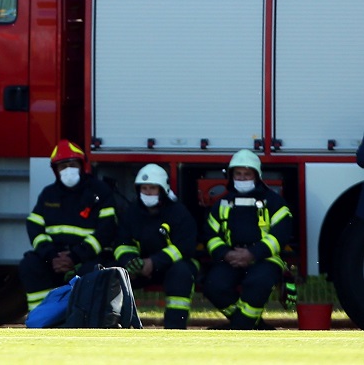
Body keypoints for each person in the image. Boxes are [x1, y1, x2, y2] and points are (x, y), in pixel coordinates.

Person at [18, 139, 118, 312]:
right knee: (30, 264)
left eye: (72, 164)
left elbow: (106, 230)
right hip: (54, 257)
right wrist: (51, 256)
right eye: (62, 166)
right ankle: (41, 316)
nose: (68, 170)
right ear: (55, 171)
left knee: (93, 271)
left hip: (87, 257)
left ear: (82, 165)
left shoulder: (99, 192)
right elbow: (34, 226)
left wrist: (75, 257)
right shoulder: (49, 194)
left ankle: (83, 319)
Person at [202, 149, 293, 330]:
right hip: (231, 258)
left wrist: (252, 253)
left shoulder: (273, 202)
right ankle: (253, 326)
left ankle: (238, 327)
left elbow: (281, 234)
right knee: (213, 285)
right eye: (238, 174)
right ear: (231, 175)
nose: (242, 178)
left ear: (256, 176)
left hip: (266, 258)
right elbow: (210, 236)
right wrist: (226, 254)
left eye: (247, 174)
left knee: (257, 283)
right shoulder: (222, 203)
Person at [114, 164, 197, 329]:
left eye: (152, 188)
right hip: (140, 268)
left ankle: (175, 329)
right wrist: (130, 262)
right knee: (112, 275)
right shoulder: (131, 213)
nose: (148, 192)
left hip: (172, 267)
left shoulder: (178, 212)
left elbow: (185, 246)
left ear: (163, 189)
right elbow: (121, 243)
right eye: (144, 188)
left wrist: (154, 262)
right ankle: (117, 326)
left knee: (181, 273)